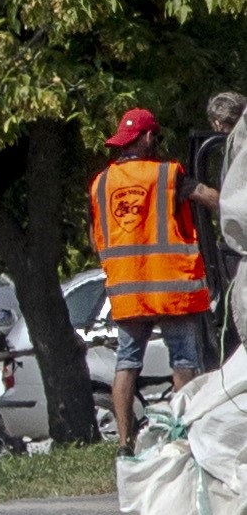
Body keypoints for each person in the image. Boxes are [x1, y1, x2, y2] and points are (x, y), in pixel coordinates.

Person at [93, 109, 221, 446]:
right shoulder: (167, 175)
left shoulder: (102, 183)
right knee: (184, 361)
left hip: (128, 292)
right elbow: (209, 198)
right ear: (149, 137)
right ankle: (185, 438)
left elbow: (97, 239)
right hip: (172, 289)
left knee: (126, 364)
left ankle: (123, 443)